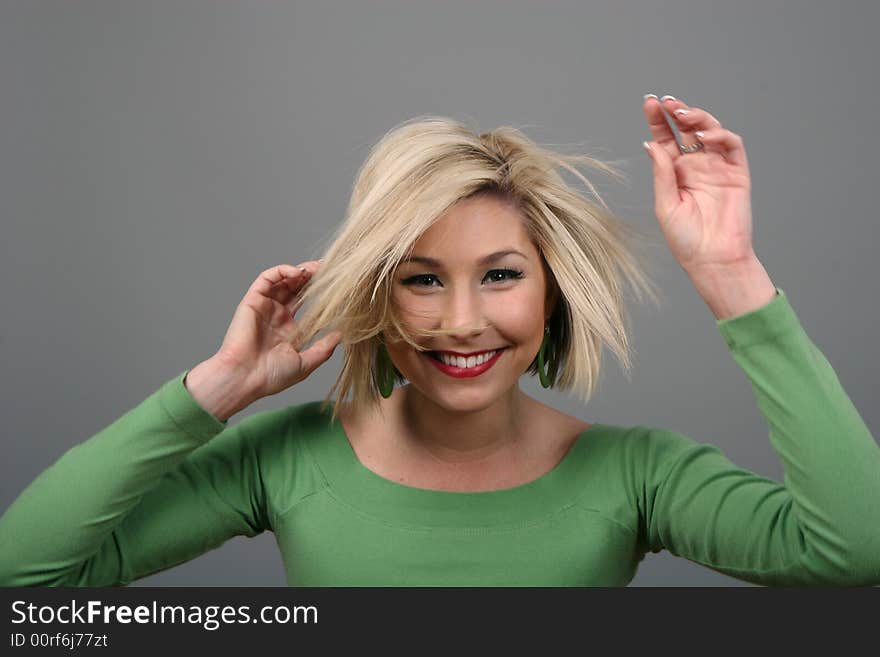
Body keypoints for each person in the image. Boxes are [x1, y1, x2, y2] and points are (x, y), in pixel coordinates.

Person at [1, 94, 878, 587]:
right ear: (378, 297)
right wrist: (218, 390)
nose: (462, 320)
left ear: (549, 290)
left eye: (500, 274)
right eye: (423, 278)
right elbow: (23, 576)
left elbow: (856, 549)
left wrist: (731, 274)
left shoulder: (636, 473)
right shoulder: (284, 457)